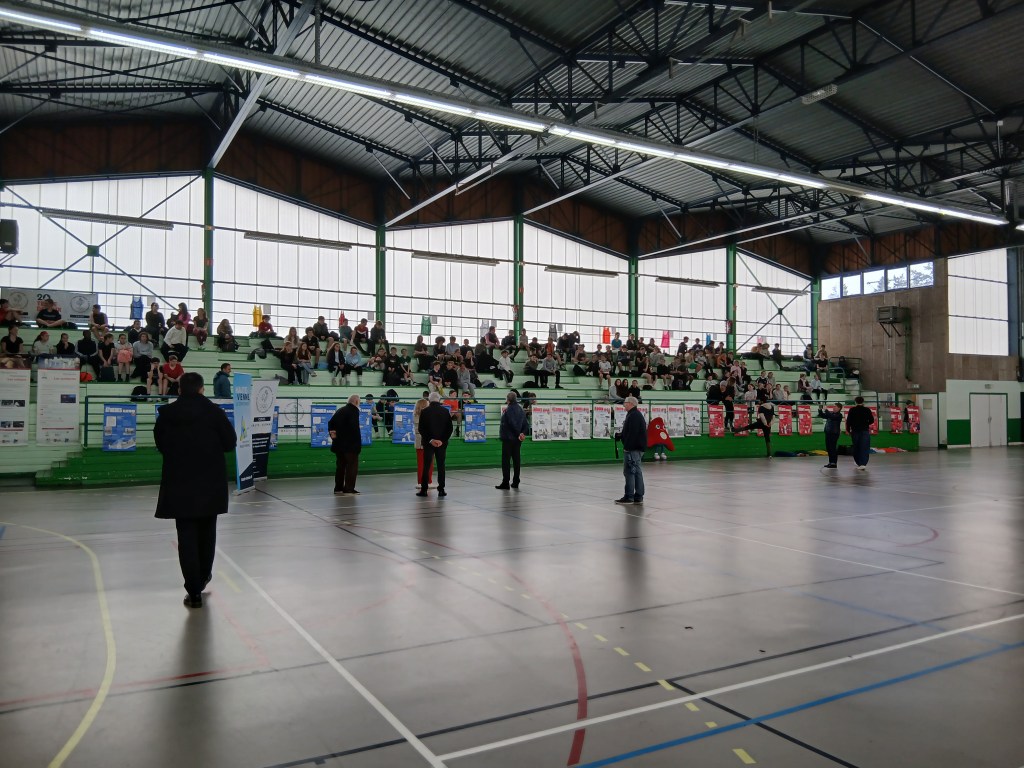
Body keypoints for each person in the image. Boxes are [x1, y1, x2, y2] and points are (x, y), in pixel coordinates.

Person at [154, 371, 237, 608]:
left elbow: (161, 444)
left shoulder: (167, 414)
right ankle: (202, 579)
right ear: (202, 389)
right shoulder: (215, 412)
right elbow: (229, 443)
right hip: (210, 483)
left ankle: (193, 591)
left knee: (186, 537)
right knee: (207, 534)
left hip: (179, 483)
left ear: (179, 389)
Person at [416, 392, 453, 498]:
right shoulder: (445, 411)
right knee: (441, 466)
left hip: (428, 443)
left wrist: (431, 440)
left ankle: (424, 490)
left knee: (426, 466)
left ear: (429, 399)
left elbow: (421, 429)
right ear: (439, 399)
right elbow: (449, 429)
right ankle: (441, 489)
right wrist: (442, 440)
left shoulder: (424, 412)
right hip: (442, 444)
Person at [613, 396, 647, 504]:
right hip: (636, 447)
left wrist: (627, 447)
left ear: (631, 403)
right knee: (636, 472)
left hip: (632, 449)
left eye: (625, 402)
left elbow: (633, 433)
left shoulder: (634, 415)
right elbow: (631, 431)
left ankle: (629, 496)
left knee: (630, 472)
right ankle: (638, 496)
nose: (624, 405)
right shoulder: (634, 414)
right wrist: (621, 435)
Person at [328, 393, 363, 495]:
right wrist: (357, 445)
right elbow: (353, 428)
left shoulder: (341, 410)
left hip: (338, 445)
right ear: (356, 402)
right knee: (352, 466)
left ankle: (338, 488)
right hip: (350, 445)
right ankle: (349, 489)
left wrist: (333, 436)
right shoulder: (354, 411)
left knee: (340, 466)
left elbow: (331, 423)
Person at [495, 392, 527, 490]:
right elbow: (525, 423)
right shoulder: (520, 409)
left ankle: (506, 482)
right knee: (516, 460)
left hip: (508, 439)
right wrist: (522, 433)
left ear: (508, 399)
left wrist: (518, 434)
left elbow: (512, 423)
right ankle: (516, 481)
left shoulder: (509, 410)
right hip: (518, 440)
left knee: (506, 461)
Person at [846, 396, 875, 470]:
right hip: (864, 430)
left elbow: (848, 421)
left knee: (856, 447)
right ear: (863, 401)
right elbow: (872, 420)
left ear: (855, 402)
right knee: (864, 447)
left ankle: (858, 462)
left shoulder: (852, 410)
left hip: (855, 431)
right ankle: (863, 463)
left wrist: (848, 430)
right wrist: (865, 423)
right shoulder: (867, 410)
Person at [413, 392, 433, 488]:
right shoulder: (420, 416)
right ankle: (422, 482)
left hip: (425, 441)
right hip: (423, 441)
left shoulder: (418, 415)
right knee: (423, 463)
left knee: (428, 462)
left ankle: (428, 481)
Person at [818, 401, 844, 468]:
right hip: (828, 432)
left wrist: (826, 410)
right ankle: (830, 462)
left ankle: (834, 463)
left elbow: (832, 417)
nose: (833, 407)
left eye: (835, 406)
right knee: (829, 448)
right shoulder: (831, 414)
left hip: (834, 433)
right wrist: (820, 409)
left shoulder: (839, 415)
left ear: (839, 408)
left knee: (832, 448)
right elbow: (823, 415)